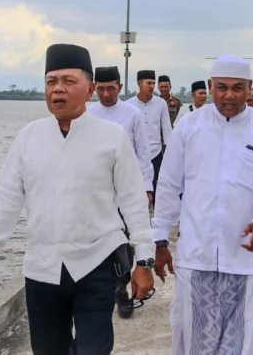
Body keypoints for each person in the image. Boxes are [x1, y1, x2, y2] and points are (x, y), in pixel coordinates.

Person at [0, 44, 155, 355]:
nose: (58, 89)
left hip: (97, 262)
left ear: (90, 89)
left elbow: (134, 203)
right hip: (43, 267)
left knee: (94, 349)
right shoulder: (29, 137)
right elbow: (6, 199)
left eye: (68, 81)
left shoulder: (112, 137)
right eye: (51, 81)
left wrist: (144, 260)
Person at [152, 55, 253, 354]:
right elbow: (168, 185)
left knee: (241, 341)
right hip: (196, 252)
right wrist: (160, 239)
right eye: (222, 87)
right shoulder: (189, 126)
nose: (229, 95)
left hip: (245, 252)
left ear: (250, 88)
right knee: (193, 337)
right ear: (210, 86)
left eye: (238, 88)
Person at [88, 65, 154, 319]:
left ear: (120, 87)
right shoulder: (87, 113)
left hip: (126, 189)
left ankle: (121, 292)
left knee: (125, 244)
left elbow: (144, 154)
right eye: (101, 89)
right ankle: (100, 291)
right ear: (94, 88)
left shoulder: (132, 114)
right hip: (95, 192)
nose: (105, 94)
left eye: (111, 88)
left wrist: (147, 188)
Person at [127, 70, 172, 200]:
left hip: (156, 154)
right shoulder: (129, 105)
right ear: (139, 83)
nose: (152, 86)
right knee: (136, 190)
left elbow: (167, 130)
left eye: (153, 83)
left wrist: (170, 154)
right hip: (135, 155)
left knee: (158, 190)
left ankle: (157, 218)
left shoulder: (161, 104)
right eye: (149, 83)